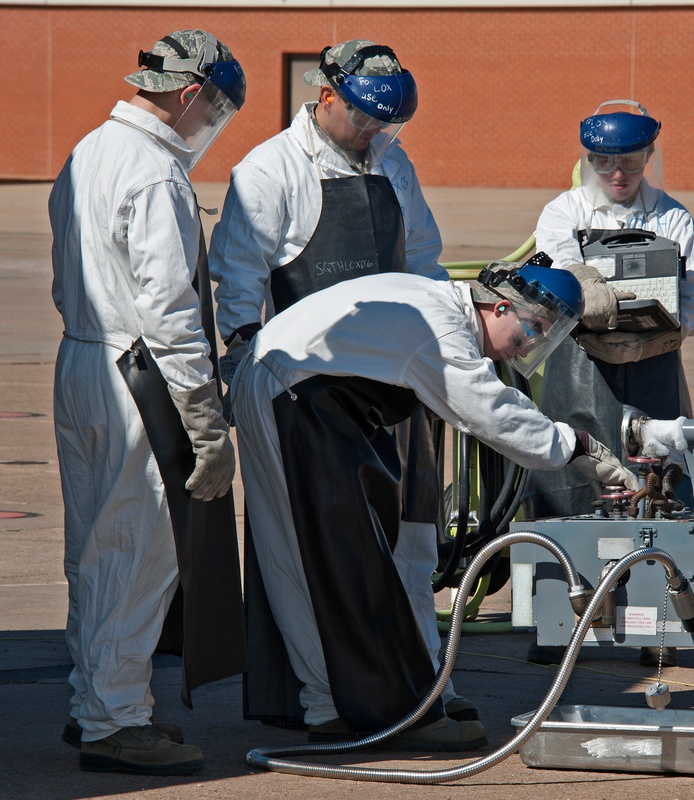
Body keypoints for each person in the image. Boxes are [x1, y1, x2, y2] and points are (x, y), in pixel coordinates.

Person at [228, 259, 639, 749]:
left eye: (545, 338)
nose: (528, 346)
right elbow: (489, 411)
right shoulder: (441, 330)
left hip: (298, 392)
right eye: (532, 329)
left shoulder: (440, 305)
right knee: (335, 563)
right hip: (292, 394)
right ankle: (389, 714)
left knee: (312, 560)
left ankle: (330, 707)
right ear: (500, 305)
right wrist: (575, 445)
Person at [206, 39, 472, 728]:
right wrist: (238, 361)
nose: (375, 134)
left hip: (398, 384)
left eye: (387, 124)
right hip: (312, 400)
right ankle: (318, 698)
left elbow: (425, 262)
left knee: (410, 542)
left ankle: (421, 682)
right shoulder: (268, 171)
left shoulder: (392, 162)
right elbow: (237, 282)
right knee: (316, 551)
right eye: (364, 119)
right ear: (326, 97)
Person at [49, 30, 248, 775]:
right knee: (138, 553)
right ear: (192, 95)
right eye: (216, 110)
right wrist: (204, 415)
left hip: (84, 361)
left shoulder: (88, 151)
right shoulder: (156, 173)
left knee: (94, 548)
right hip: (140, 374)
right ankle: (115, 721)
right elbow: (169, 309)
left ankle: (92, 702)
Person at [524, 99, 694, 519]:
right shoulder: (563, 212)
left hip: (656, 368)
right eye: (605, 162)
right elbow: (556, 271)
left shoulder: (672, 217)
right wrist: (584, 288)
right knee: (575, 483)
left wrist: (664, 331)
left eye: (630, 162)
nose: (617, 174)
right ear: (590, 160)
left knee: (661, 480)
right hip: (579, 368)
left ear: (648, 157)